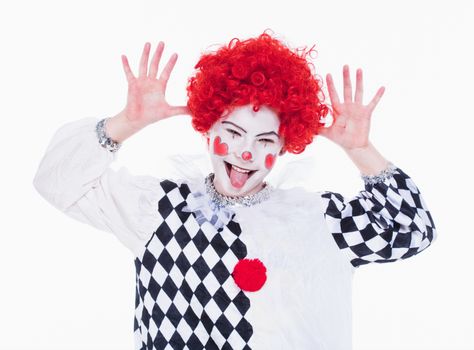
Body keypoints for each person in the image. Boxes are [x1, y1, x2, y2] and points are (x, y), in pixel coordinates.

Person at [33, 32, 437, 350]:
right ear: (208, 129)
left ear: (283, 146)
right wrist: (125, 123)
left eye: (265, 141)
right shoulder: (159, 209)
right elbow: (56, 180)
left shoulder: (319, 221)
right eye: (233, 132)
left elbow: (413, 232)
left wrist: (361, 150)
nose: (246, 151)